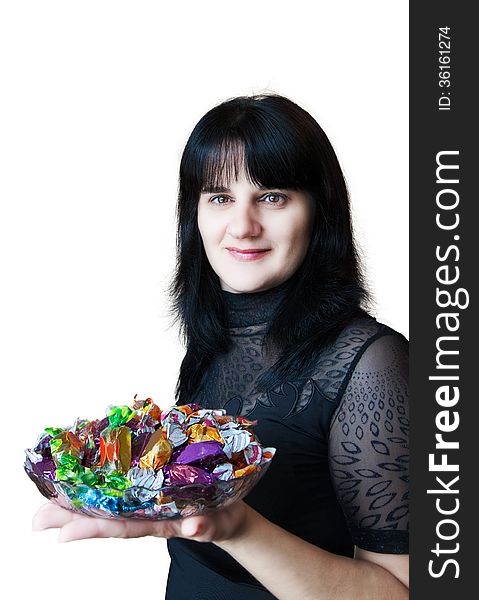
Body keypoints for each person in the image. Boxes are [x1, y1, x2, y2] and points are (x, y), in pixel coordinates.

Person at [33, 94, 409, 599]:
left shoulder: (373, 363)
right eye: (219, 197)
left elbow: (401, 592)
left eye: (272, 196)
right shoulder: (215, 336)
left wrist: (235, 528)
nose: (242, 226)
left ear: (319, 211)